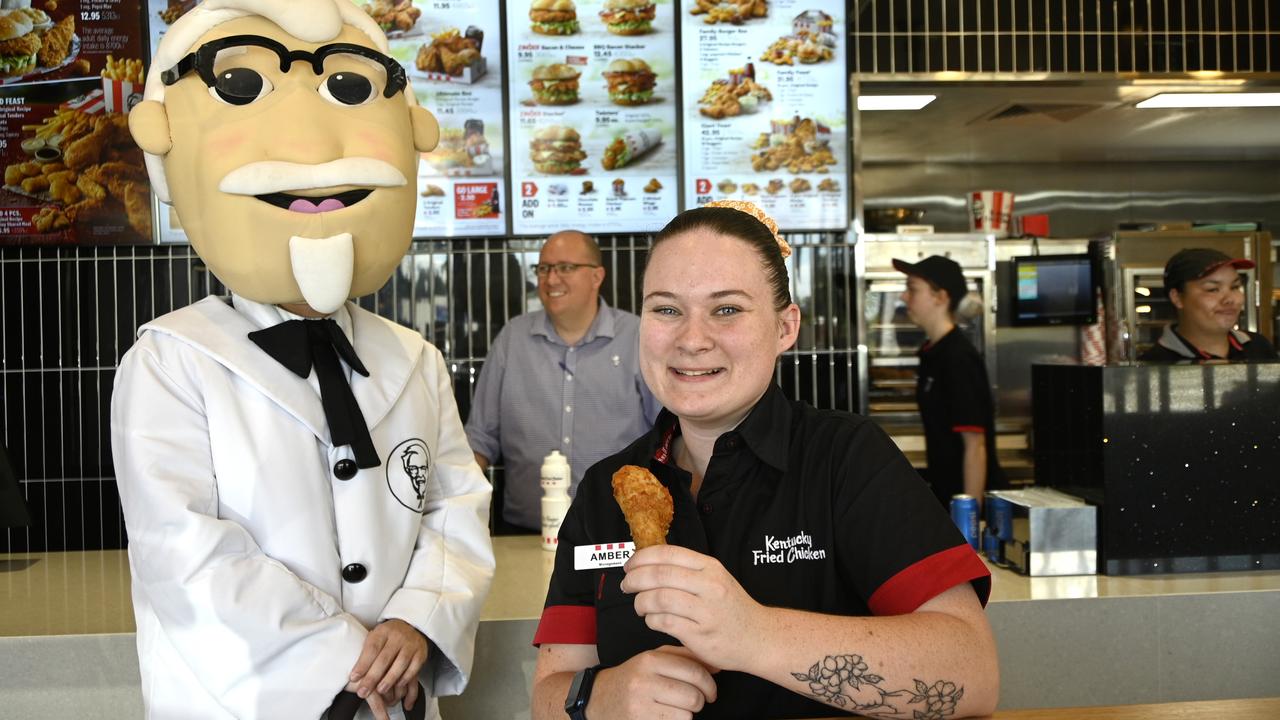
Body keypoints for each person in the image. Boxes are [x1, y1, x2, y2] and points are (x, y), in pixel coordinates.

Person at [113, 2, 494, 718]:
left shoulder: (411, 356)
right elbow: (184, 548)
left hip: (398, 700)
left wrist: (420, 619)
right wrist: (344, 660)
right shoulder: (172, 360)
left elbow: (455, 506)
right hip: (254, 701)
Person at [530, 202, 998, 720]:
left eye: (726, 309)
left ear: (785, 327)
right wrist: (601, 697)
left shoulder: (846, 459)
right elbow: (549, 691)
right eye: (666, 309)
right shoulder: (606, 490)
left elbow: (971, 671)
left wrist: (752, 634)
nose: (691, 339)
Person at [465, 230, 660, 531]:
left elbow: (667, 436)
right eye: (544, 268)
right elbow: (479, 438)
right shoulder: (512, 339)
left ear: (597, 276)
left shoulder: (637, 337)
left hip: (619, 534)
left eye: (566, 268)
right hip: (524, 533)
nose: (552, 279)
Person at [894, 255, 1004, 509]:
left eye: (912, 289)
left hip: (966, 504)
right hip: (948, 498)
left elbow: (975, 446)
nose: (903, 297)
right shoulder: (934, 352)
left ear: (940, 297)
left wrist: (970, 522)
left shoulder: (958, 358)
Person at [1140, 248, 1277, 362]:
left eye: (1235, 287)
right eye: (1212, 289)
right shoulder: (1155, 364)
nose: (1229, 299)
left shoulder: (1258, 347)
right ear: (1177, 298)